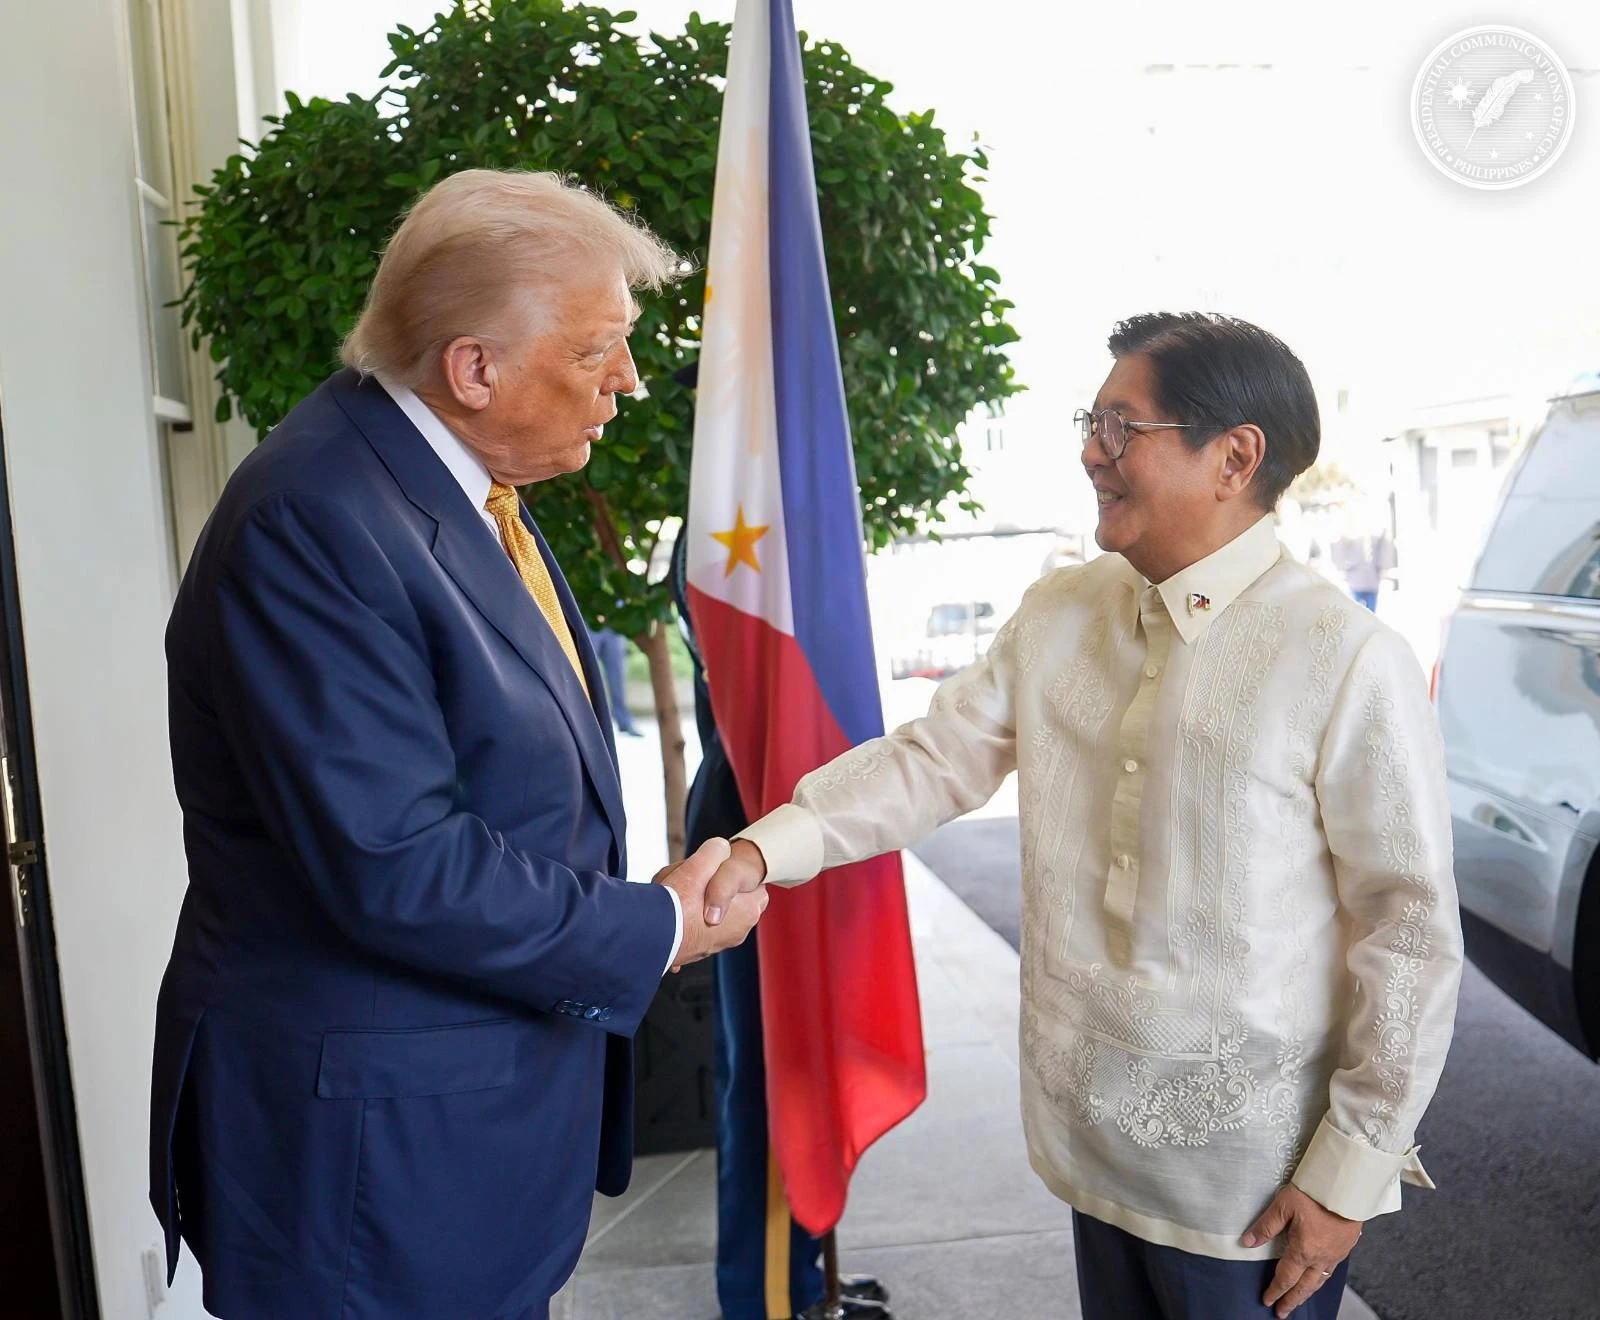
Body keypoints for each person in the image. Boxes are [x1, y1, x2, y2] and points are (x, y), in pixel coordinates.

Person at [704, 313, 1463, 1320]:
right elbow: (935, 760)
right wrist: (764, 852)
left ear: (1234, 456)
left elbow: (1406, 931)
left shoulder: (1342, 656)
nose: (1089, 451)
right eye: (1090, 420)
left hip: (1248, 1190)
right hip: (1087, 1147)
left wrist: (1348, 1170)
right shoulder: (1061, 611)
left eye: (1122, 426)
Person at [148, 169, 767, 1320]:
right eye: (597, 353)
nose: (626, 384)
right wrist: (662, 924)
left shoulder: (455, 484)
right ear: (473, 368)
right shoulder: (316, 519)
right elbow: (396, 863)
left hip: (454, 1135)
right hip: (367, 1173)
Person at [587, 625, 643, 736]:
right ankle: (589, 723)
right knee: (587, 673)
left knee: (617, 676)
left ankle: (624, 721)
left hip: (614, 624)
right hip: (590, 621)